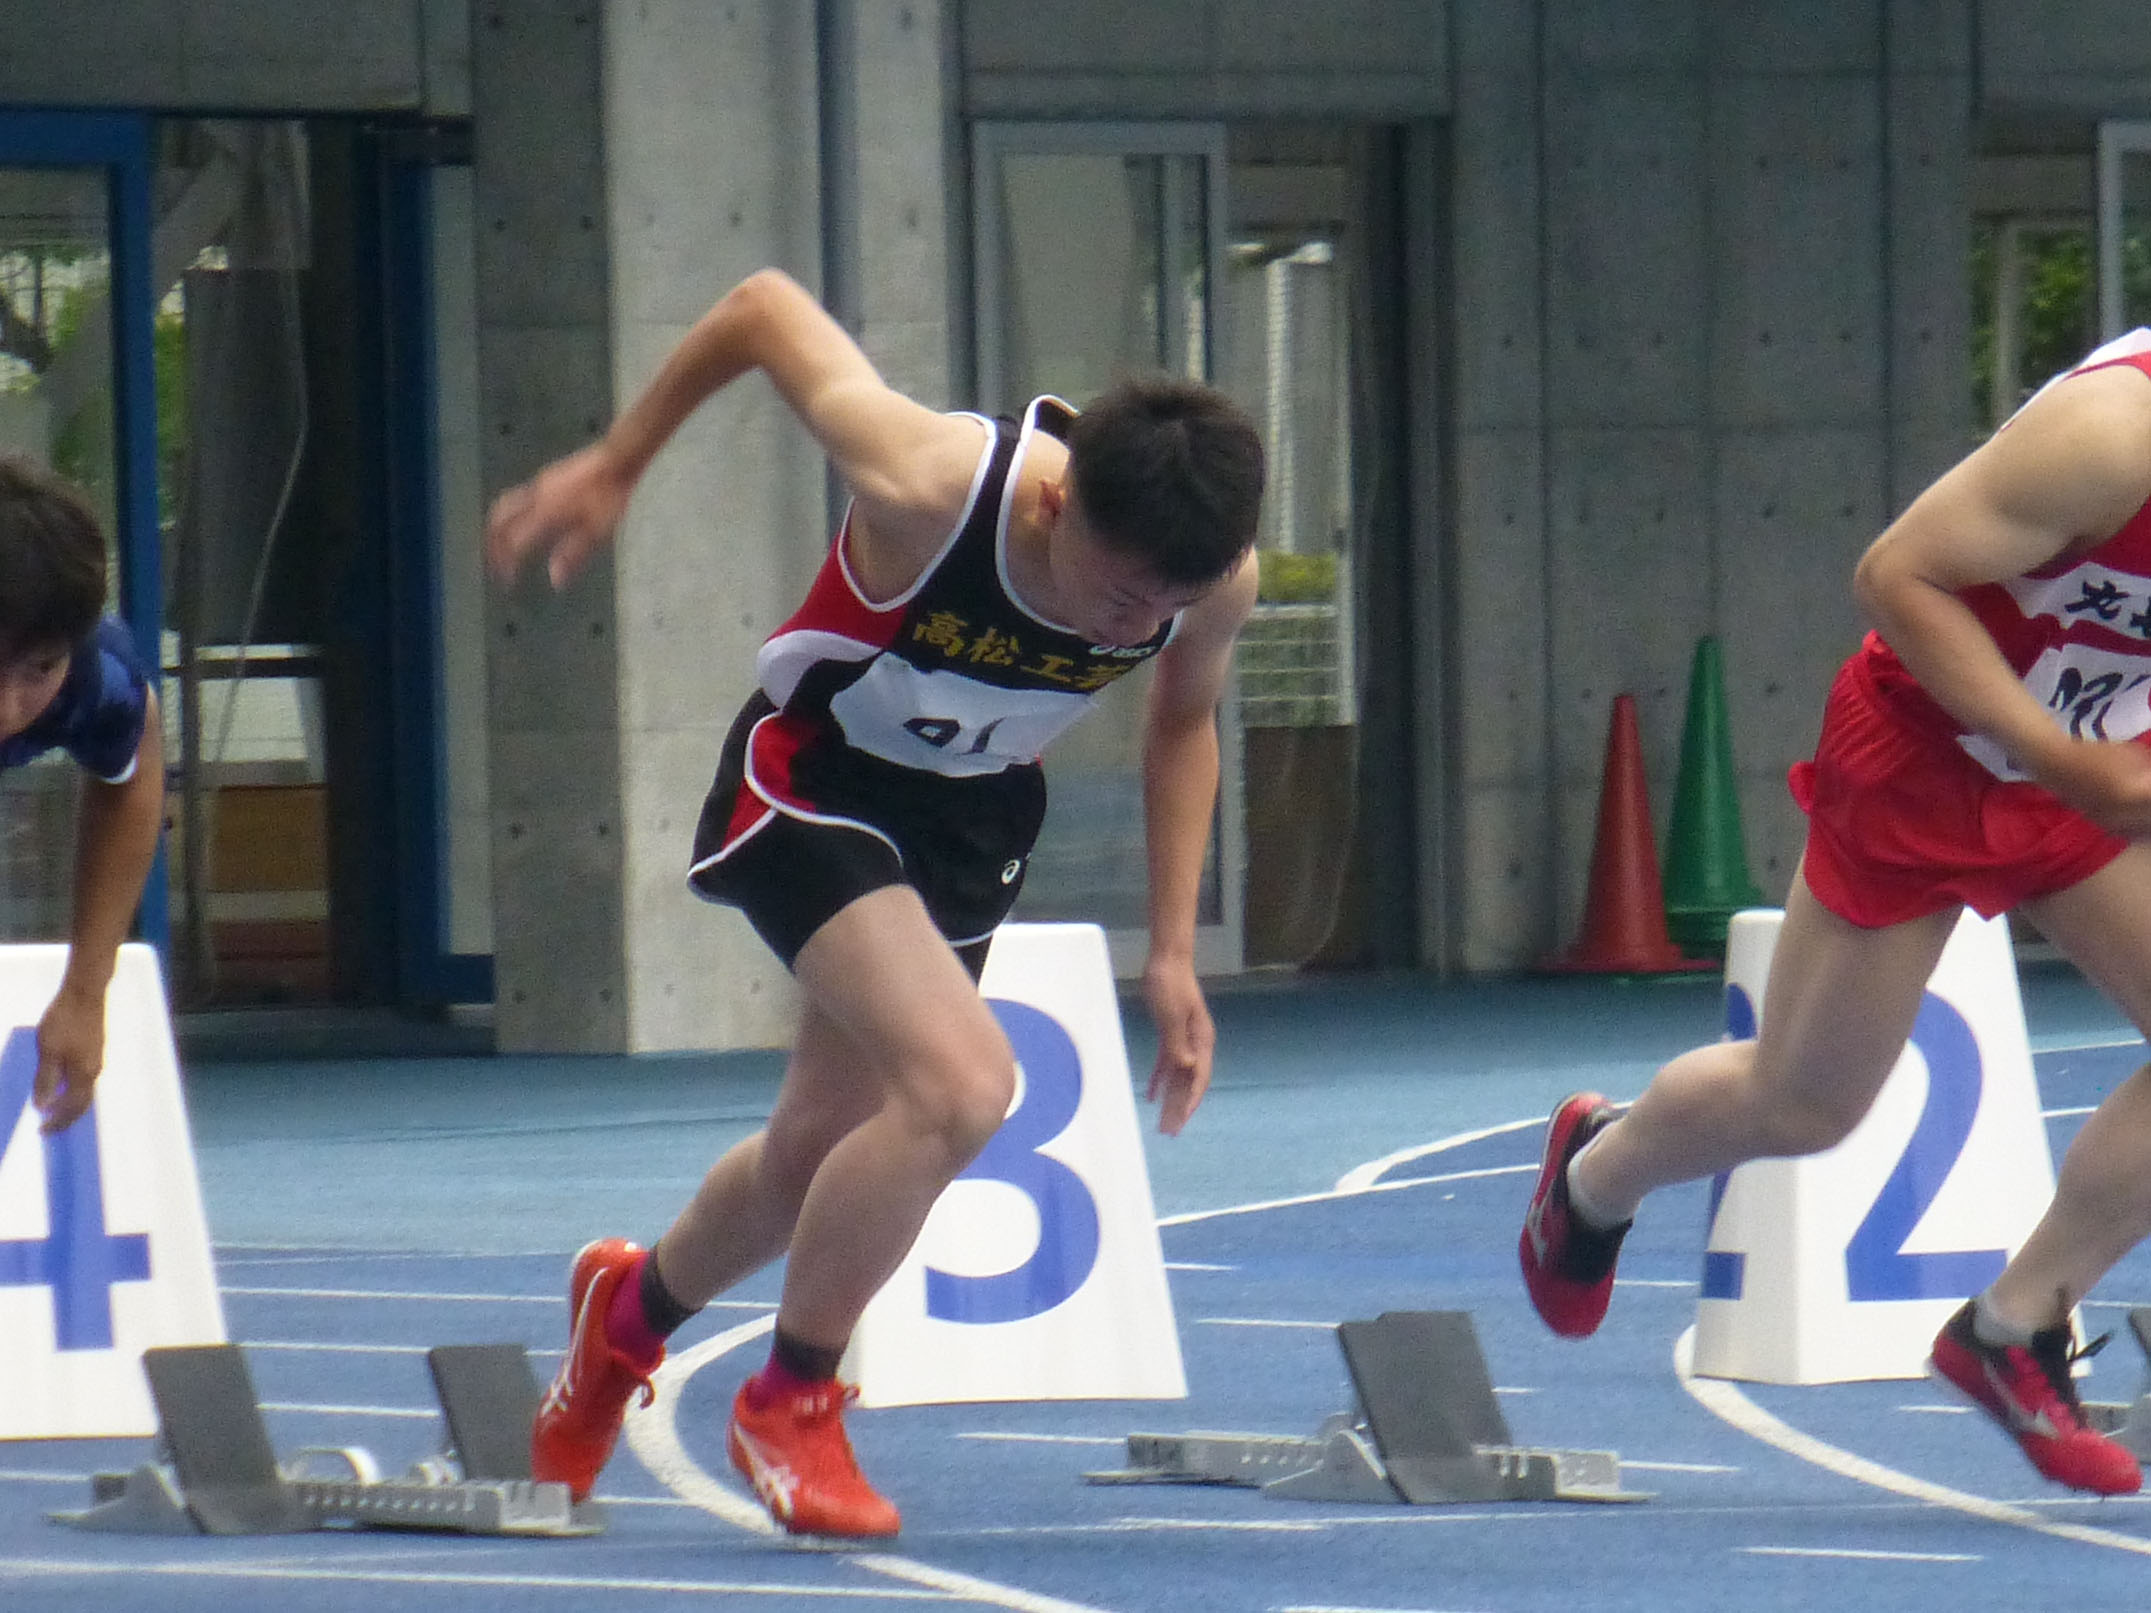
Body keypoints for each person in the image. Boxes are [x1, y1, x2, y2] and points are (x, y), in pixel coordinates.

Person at [486, 267, 1263, 1537]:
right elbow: (759, 305)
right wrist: (620, 460)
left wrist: (1173, 948)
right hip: (812, 782)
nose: (1136, 621)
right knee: (964, 1087)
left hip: (965, 821)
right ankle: (791, 1399)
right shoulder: (930, 482)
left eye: (1162, 604)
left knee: (811, 1155)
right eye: (1119, 592)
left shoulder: (1204, 580)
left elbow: (1186, 722)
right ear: (1059, 499)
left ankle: (623, 1322)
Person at [1519, 327, 2151, 1498]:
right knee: (1806, 1104)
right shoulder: (2115, 435)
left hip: (2101, 758)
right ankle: (1597, 1173)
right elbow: (1893, 575)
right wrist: (2053, 756)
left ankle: (2012, 1328)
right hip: (1934, 748)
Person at [0, 457, 164, 1135]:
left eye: (38, 669)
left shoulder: (99, 678)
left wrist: (84, 991)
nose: (8, 708)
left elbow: (133, 772)